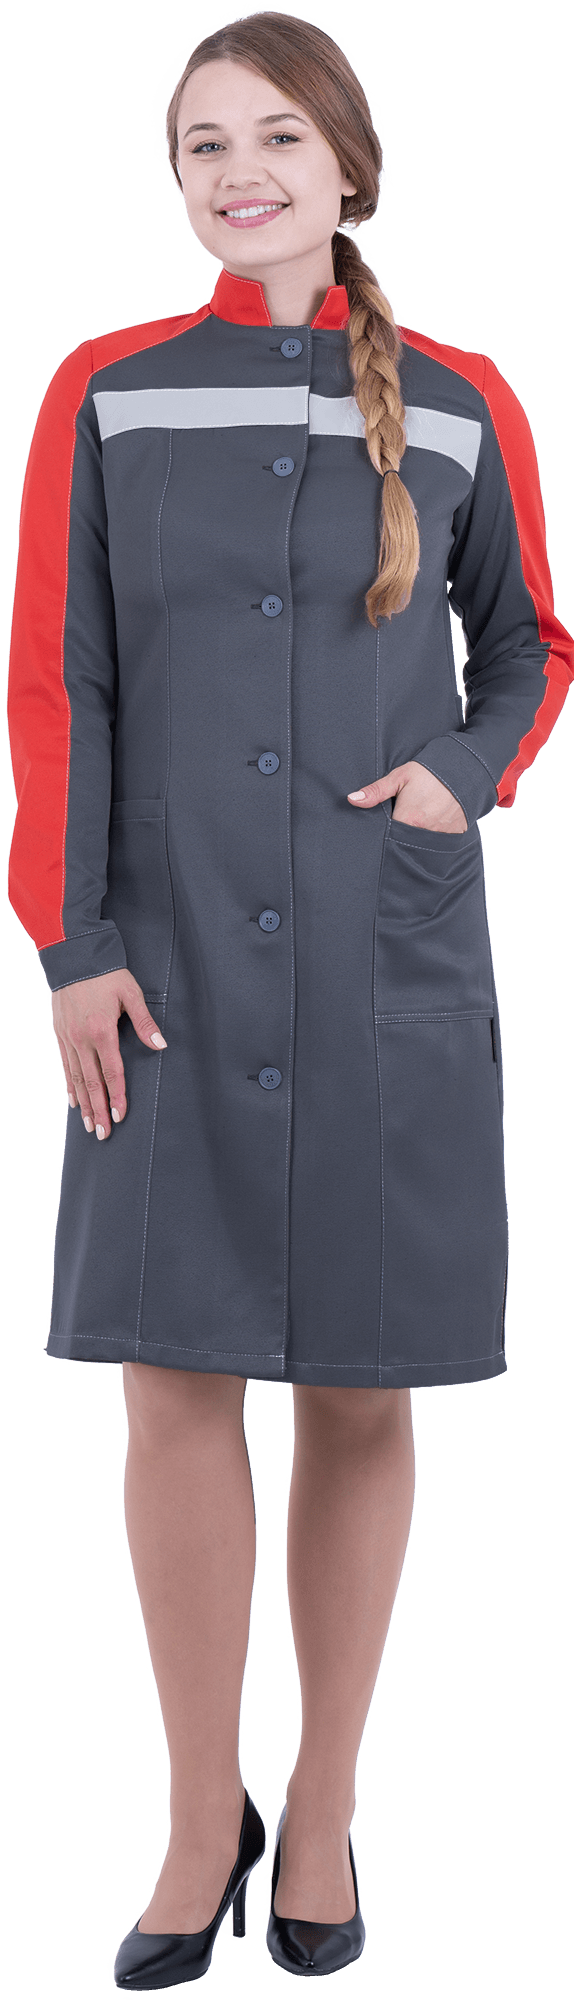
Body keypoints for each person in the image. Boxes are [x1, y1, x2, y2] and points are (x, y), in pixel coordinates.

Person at [6, 9, 573, 1986]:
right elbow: (56, 680)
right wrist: (73, 941)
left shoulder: (461, 401)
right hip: (160, 960)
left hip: (376, 951)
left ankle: (320, 1812)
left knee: (359, 1386)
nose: (238, 176)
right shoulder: (104, 391)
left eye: (273, 140)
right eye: (202, 149)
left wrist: (458, 778)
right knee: (170, 1381)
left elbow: (528, 647)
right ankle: (193, 1822)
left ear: (350, 162)